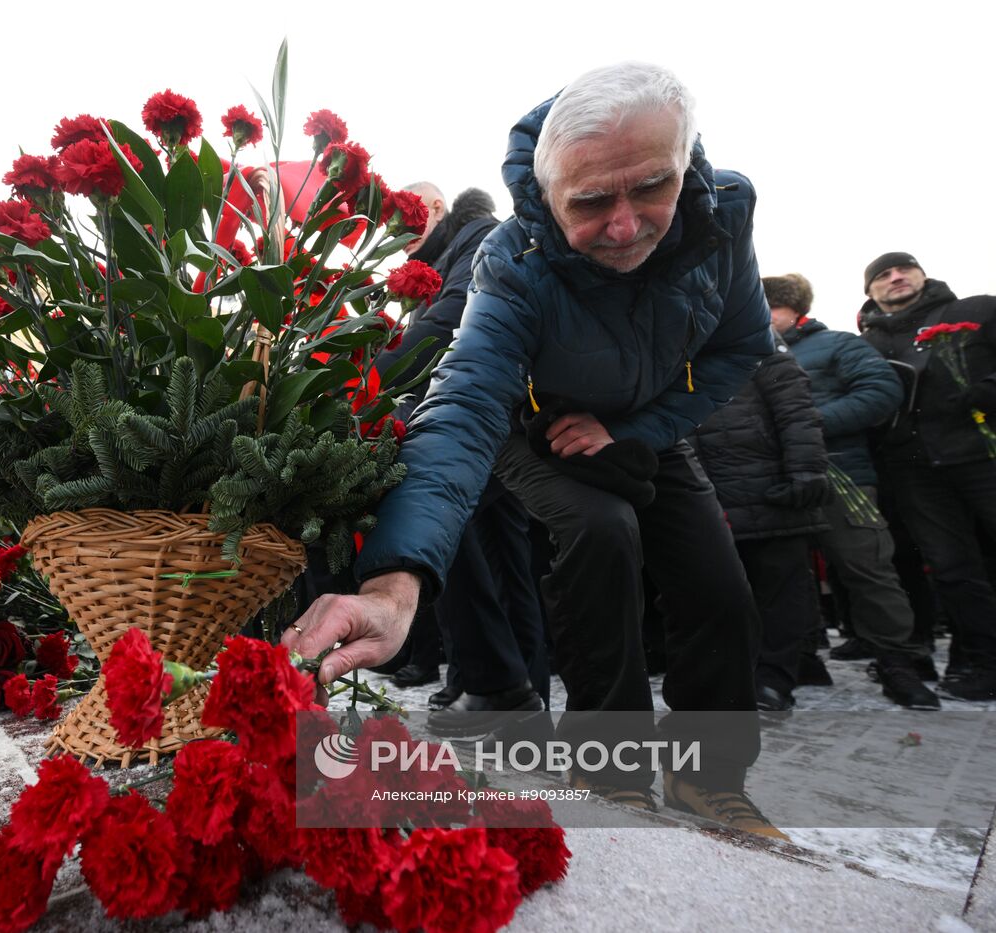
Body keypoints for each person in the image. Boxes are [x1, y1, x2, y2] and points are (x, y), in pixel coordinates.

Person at [286, 62, 783, 836]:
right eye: (590, 202)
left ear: (686, 164)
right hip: (536, 428)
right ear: (546, 196)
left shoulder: (724, 215)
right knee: (599, 531)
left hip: (650, 428)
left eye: (652, 186)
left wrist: (635, 431)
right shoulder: (512, 262)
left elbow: (741, 346)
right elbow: (464, 400)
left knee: (719, 588)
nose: (625, 226)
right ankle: (607, 764)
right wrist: (395, 580)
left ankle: (708, 778)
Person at [375, 184, 550, 718]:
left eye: (402, 217)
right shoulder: (453, 248)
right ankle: (503, 685)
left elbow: (447, 324)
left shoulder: (476, 239)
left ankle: (500, 682)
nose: (394, 233)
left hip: (489, 417)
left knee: (442, 524)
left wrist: (362, 374)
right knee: (496, 555)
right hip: (494, 415)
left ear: (431, 210)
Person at [767, 274, 941, 708]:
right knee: (783, 575)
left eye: (764, 306)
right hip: (772, 480)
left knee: (866, 565)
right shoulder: (747, 354)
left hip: (840, 472)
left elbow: (882, 390)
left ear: (790, 309)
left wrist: (807, 425)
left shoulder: (838, 344)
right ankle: (800, 660)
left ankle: (897, 662)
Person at [858, 253, 996, 700]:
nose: (895, 277)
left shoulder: (974, 311)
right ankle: (979, 658)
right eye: (882, 275)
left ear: (922, 274)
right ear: (870, 292)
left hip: (981, 455)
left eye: (904, 269)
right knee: (953, 566)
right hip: (913, 469)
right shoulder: (865, 343)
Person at [688, 341, 831, 711]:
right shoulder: (659, 352)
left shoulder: (756, 346)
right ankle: (734, 675)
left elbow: (796, 412)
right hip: (704, 495)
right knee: (716, 595)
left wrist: (806, 470)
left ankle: (774, 679)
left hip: (768, 489)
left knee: (779, 590)